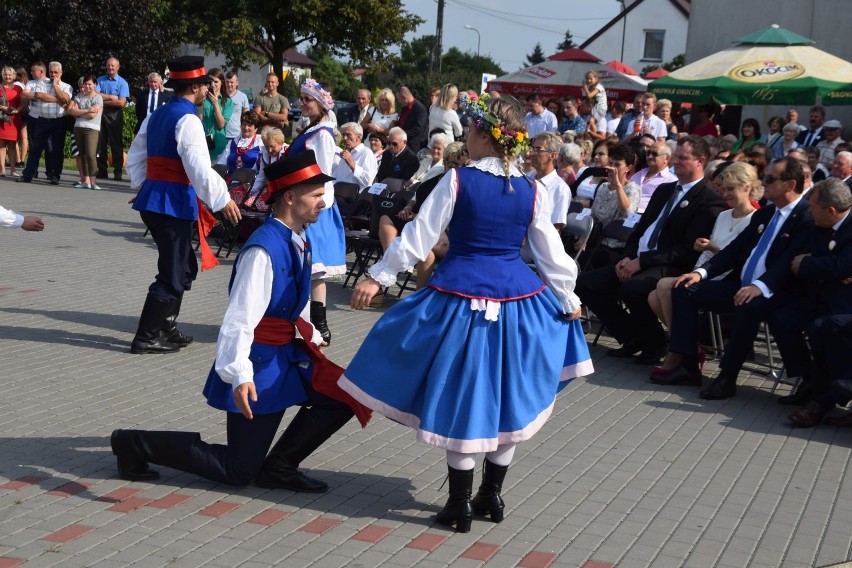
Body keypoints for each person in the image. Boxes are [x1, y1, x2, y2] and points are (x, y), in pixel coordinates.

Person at [340, 95, 593, 533]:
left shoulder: (458, 181)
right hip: (519, 302)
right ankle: (491, 495)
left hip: (460, 300)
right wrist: (568, 298)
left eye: (470, 132)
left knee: (462, 398)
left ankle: (459, 504)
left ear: (480, 134)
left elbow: (419, 237)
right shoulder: (531, 189)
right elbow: (550, 253)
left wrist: (377, 278)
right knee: (506, 398)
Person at [111, 150, 365, 490]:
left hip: (285, 354)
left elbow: (295, 299)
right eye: (317, 194)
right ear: (290, 197)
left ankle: (280, 467)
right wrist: (240, 376)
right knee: (238, 471)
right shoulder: (263, 251)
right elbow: (239, 321)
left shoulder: (297, 237)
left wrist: (311, 337)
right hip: (258, 362)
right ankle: (134, 444)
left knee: (343, 396)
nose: (324, 202)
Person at [653, 157, 812, 399]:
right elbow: (734, 251)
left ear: (790, 185)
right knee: (683, 288)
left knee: (747, 304)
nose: (764, 183)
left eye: (769, 179)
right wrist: (700, 273)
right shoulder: (766, 214)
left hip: (778, 290)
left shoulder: (806, 217)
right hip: (743, 285)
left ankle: (727, 377)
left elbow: (787, 261)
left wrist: (760, 286)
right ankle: (687, 365)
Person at [126, 55, 242, 354]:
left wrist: (143, 185)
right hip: (171, 202)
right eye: (205, 84)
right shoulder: (188, 119)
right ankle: (146, 336)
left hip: (157, 199)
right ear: (195, 87)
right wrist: (222, 199)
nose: (208, 89)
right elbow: (199, 168)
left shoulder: (158, 114)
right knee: (172, 271)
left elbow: (137, 154)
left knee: (184, 265)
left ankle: (165, 327)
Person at [576, 135, 725, 365]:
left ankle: (655, 344)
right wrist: (627, 256)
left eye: (682, 158)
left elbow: (685, 250)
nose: (676, 161)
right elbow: (640, 229)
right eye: (675, 156)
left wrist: (641, 262)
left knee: (632, 288)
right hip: (639, 258)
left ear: (700, 161)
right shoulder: (664, 190)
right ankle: (633, 337)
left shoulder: (708, 200)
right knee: (586, 283)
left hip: (668, 265)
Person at [766, 177, 852, 411]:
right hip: (816, 294)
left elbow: (842, 266)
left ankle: (826, 390)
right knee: (781, 319)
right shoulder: (818, 225)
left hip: (842, 302)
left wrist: (812, 265)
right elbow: (801, 260)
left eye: (813, 206)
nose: (809, 209)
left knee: (820, 328)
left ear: (831, 210)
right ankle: (807, 379)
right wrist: (825, 267)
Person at [647, 162, 760, 334]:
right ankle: (688, 344)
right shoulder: (723, 215)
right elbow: (710, 253)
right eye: (724, 188)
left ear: (746, 188)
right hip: (707, 273)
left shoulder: (756, 219)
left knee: (663, 286)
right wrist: (703, 251)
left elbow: (741, 260)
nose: (725, 194)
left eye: (731, 189)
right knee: (653, 297)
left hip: (728, 280)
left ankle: (682, 345)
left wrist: (714, 249)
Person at [275, 78, 346, 346]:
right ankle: (309, 323)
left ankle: (319, 326)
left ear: (320, 105)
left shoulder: (323, 135)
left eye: (307, 100)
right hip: (299, 203)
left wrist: (316, 209)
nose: (302, 103)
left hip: (313, 208)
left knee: (313, 269)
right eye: (302, 99)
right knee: (307, 268)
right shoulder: (312, 130)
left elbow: (325, 176)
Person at [582, 144, 642, 268]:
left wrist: (618, 185)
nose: (612, 168)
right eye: (611, 163)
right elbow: (592, 216)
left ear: (628, 167)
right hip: (595, 241)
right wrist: (583, 238)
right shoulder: (603, 187)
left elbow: (628, 213)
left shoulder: (633, 189)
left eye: (617, 165)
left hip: (614, 247)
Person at [18, 61, 72, 186]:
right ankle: (28, 175)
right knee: (35, 148)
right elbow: (39, 95)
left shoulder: (67, 86)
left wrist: (55, 86)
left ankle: (55, 175)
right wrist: (58, 100)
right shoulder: (41, 83)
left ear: (61, 73)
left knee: (57, 149)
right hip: (42, 120)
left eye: (56, 72)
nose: (53, 74)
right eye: (51, 72)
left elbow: (66, 100)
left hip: (59, 120)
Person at [66, 74, 103, 190]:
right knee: (81, 155)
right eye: (85, 84)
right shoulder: (79, 96)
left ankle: (93, 181)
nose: (87, 86)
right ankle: (85, 180)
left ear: (95, 85)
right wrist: (87, 110)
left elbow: (93, 115)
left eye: (89, 84)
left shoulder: (98, 98)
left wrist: (79, 111)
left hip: (92, 128)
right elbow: (70, 111)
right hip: (78, 127)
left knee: (91, 155)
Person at [96, 57, 130, 181]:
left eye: (113, 66)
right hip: (100, 114)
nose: (110, 68)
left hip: (114, 115)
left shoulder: (122, 83)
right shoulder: (100, 80)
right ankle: (102, 170)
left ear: (118, 67)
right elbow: (94, 95)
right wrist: (111, 97)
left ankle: (118, 170)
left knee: (116, 144)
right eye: (108, 65)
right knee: (100, 143)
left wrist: (102, 101)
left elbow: (121, 103)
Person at [530, 132, 571, 231]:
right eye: (533, 149)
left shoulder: (560, 189)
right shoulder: (528, 179)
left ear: (552, 155)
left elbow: (555, 228)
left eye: (538, 149)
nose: (532, 153)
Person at [630, 140, 677, 212]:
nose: (649, 156)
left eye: (654, 154)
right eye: (648, 153)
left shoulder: (671, 181)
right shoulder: (638, 175)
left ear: (667, 158)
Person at [331, 122, 378, 192]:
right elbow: (335, 178)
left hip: (354, 199)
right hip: (337, 195)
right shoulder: (346, 153)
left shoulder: (366, 153)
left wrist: (351, 164)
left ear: (359, 136)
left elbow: (367, 181)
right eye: (343, 135)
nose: (345, 138)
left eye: (348, 135)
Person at [216, 110, 263, 176]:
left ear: (256, 128)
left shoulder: (261, 143)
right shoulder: (232, 142)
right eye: (244, 124)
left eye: (249, 125)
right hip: (230, 181)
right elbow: (221, 163)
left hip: (250, 182)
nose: (246, 128)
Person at [200, 68, 232, 162]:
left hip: (218, 144)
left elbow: (221, 124)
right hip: (203, 143)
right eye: (210, 81)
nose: (213, 84)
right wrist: (202, 101)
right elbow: (198, 120)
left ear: (221, 82)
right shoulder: (202, 98)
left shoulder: (227, 101)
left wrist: (216, 105)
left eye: (216, 81)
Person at [0, 66, 22, 177]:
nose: (7, 76)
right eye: (5, 74)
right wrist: (4, 108)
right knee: (1, 145)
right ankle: (2, 170)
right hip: (2, 120)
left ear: (13, 76)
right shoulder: (0, 87)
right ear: (2, 75)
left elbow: (24, 103)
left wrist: (18, 110)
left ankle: (13, 170)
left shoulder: (18, 89)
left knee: (13, 145)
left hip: (14, 120)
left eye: (9, 74)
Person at [394, 86, 428, 152]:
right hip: (403, 144)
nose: (398, 101)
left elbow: (418, 129)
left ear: (404, 98)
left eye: (398, 99)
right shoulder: (405, 107)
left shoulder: (420, 109)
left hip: (413, 146)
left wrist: (402, 135)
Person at [223, 71, 250, 145]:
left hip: (236, 135)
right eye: (227, 82)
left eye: (231, 82)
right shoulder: (220, 96)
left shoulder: (243, 96)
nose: (229, 84)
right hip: (221, 134)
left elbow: (247, 116)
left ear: (237, 83)